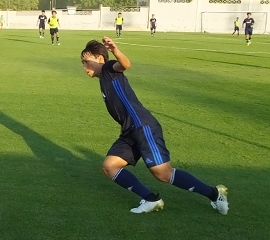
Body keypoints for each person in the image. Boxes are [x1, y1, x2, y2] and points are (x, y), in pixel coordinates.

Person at [80, 37, 229, 215]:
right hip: (129, 131)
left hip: (143, 128)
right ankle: (151, 199)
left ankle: (215, 194)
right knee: (110, 166)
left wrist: (115, 50)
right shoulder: (103, 79)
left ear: (99, 58)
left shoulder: (108, 69)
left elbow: (125, 64)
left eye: (86, 61)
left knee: (163, 174)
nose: (84, 67)